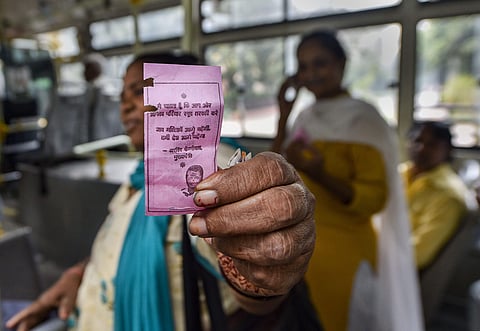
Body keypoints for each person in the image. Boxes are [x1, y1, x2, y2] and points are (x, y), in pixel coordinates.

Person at [6, 52, 318, 331]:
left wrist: (264, 275)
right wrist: (78, 274)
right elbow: (118, 239)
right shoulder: (142, 175)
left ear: (182, 97)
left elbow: (249, 276)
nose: (125, 104)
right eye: (123, 94)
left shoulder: (205, 165)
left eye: (140, 90)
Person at [272, 29, 423, 331]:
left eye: (320, 63)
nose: (311, 74)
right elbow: (277, 171)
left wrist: (318, 173)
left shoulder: (364, 119)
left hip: (346, 253)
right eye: (303, 66)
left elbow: (374, 200)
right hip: (301, 247)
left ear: (341, 64)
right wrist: (283, 113)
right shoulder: (305, 117)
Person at [399, 121, 472, 270]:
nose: (421, 149)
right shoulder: (396, 175)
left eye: (432, 144)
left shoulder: (449, 196)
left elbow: (418, 255)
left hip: (396, 271)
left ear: (447, 150)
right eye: (417, 141)